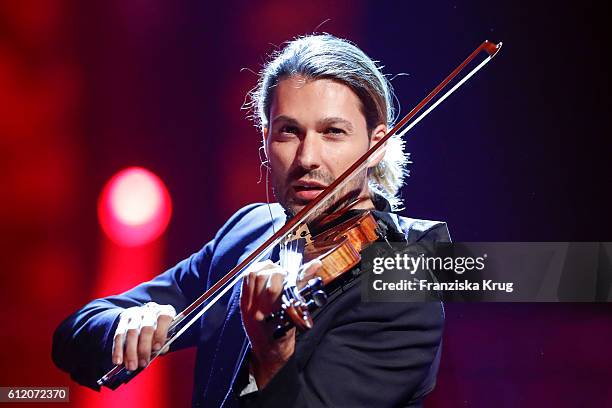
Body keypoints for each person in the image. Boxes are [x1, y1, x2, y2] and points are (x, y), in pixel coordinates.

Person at [52, 34, 451, 407]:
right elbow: (74, 334)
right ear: (265, 139)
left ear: (376, 144)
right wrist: (125, 322)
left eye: (333, 132)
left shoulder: (407, 284)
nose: (307, 157)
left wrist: (273, 355)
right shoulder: (252, 230)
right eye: (288, 132)